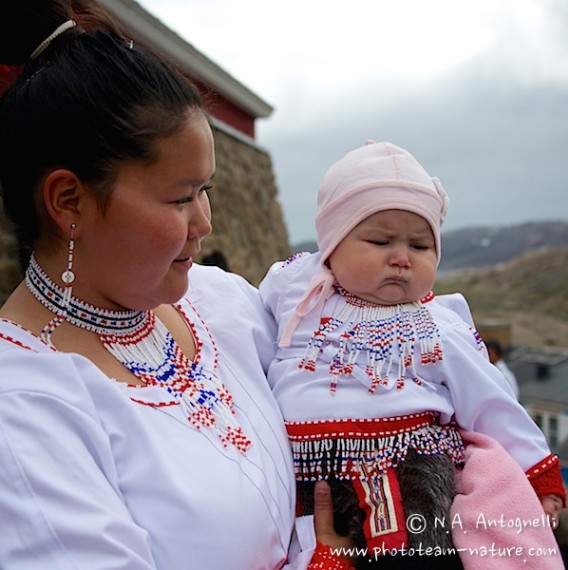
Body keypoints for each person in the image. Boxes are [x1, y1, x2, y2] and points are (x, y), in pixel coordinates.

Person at [0, 2, 352, 568]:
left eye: (206, 190)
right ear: (70, 201)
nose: (205, 222)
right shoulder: (23, 408)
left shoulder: (220, 304)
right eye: (180, 197)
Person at [259, 140, 566, 568]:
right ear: (331, 245)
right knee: (306, 550)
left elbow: (492, 403)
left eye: (420, 247)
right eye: (381, 241)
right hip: (307, 471)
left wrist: (538, 474)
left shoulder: (437, 325)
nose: (402, 258)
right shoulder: (297, 290)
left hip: (408, 471)